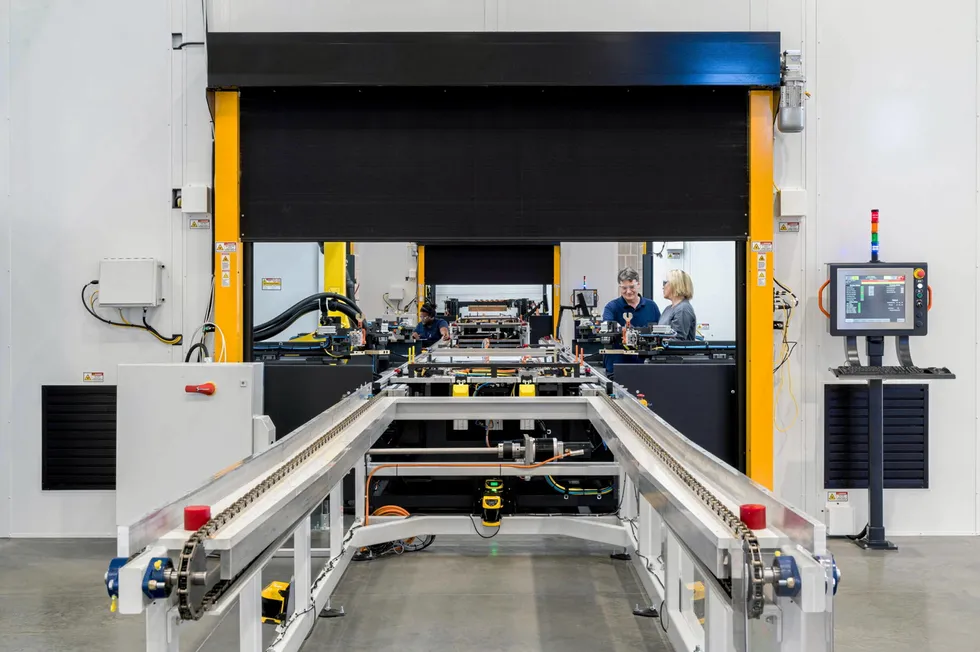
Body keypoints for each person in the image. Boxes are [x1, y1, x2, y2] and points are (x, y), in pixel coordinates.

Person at [602, 267, 661, 377]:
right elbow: (607, 326)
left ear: (638, 284)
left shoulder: (651, 306)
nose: (628, 291)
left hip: (646, 368)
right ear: (619, 287)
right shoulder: (611, 307)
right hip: (617, 368)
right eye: (624, 288)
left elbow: (660, 332)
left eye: (632, 287)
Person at [660, 269, 697, 340]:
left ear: (675, 285)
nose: (663, 287)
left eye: (665, 283)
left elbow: (678, 340)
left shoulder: (683, 309)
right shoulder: (668, 309)